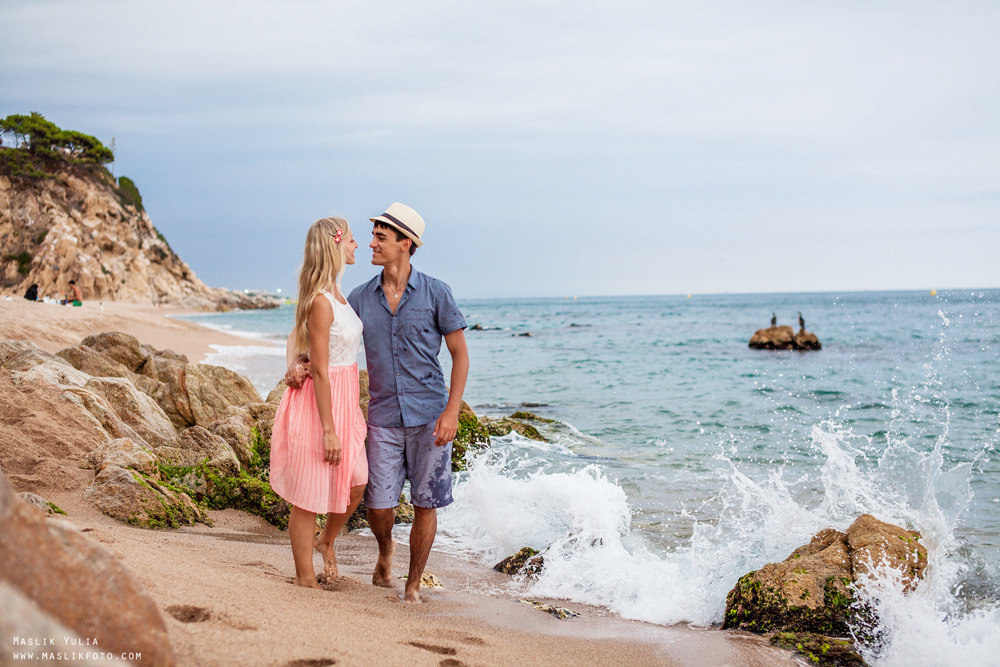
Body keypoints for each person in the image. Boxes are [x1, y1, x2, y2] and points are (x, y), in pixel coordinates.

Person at [348, 202, 469, 604]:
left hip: (430, 416)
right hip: (382, 416)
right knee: (379, 506)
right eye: (373, 236)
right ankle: (386, 550)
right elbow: (333, 340)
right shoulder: (360, 298)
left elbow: (460, 355)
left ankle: (413, 583)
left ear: (405, 243)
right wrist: (300, 361)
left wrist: (452, 411)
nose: (372, 244)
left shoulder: (437, 293)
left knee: (425, 502)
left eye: (381, 237)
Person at [269, 217, 367, 588]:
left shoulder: (338, 295)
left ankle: (325, 540)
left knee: (358, 481)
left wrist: (292, 360)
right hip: (319, 403)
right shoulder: (321, 302)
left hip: (344, 400)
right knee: (308, 495)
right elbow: (322, 370)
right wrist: (328, 429)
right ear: (335, 245)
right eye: (353, 240)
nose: (357, 246)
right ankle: (305, 578)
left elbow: (296, 335)